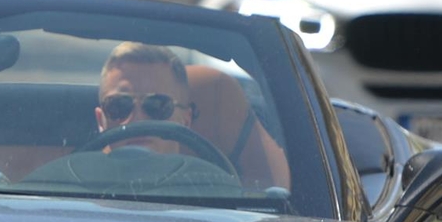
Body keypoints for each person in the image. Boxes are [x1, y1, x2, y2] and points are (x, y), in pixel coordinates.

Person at [93, 39, 293, 190]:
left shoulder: (218, 197)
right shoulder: (68, 190)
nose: (137, 119)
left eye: (157, 106)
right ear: (101, 120)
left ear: (186, 120)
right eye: (119, 105)